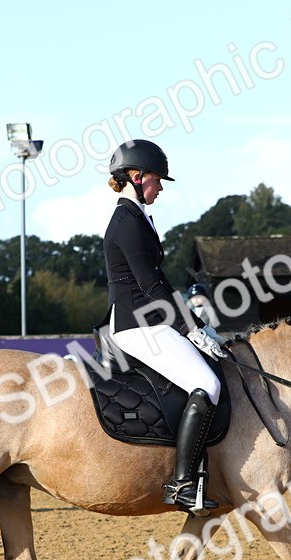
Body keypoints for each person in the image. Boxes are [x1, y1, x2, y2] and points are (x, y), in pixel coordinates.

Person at [103, 139, 227, 513]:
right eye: (157, 180)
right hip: (137, 324)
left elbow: (160, 283)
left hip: (149, 319)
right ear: (136, 177)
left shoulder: (137, 217)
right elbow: (150, 286)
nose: (160, 188)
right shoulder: (127, 221)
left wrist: (193, 320)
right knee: (207, 384)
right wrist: (190, 327)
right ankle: (183, 484)